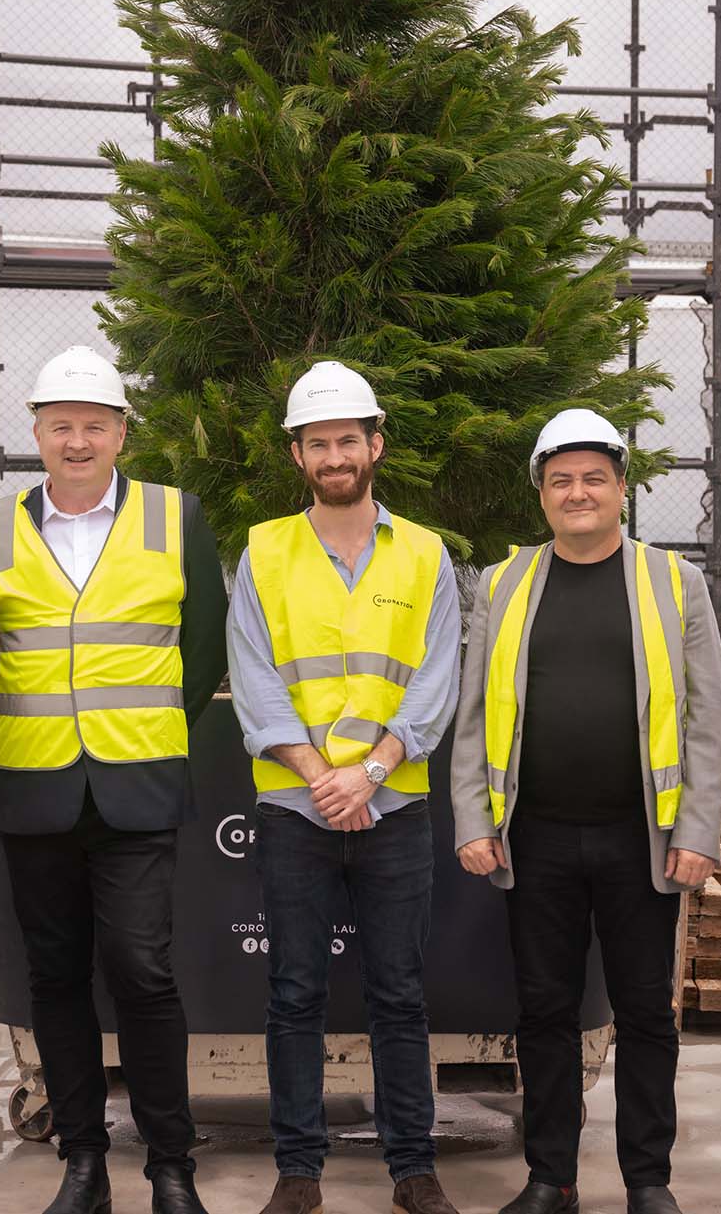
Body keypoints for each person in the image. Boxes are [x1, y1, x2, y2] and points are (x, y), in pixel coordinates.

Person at [0, 345, 228, 1214]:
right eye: (61, 425)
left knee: (143, 969)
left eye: (95, 425)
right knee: (54, 976)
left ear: (121, 433)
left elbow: (201, 647)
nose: (78, 441)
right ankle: (84, 1161)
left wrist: (145, 729)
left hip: (138, 782)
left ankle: (170, 1163)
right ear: (36, 432)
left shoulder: (174, 517)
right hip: (34, 784)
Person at [451, 407, 721, 1214]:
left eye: (594, 478)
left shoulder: (674, 582)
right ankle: (552, 1180)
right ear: (541, 493)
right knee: (543, 1013)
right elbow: (474, 712)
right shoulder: (503, 585)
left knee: (645, 1013)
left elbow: (709, 718)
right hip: (533, 839)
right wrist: (474, 818)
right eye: (562, 479)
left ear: (621, 489)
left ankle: (649, 1182)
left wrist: (698, 830)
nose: (579, 493)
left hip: (642, 842)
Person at [225, 361, 463, 1214]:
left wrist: (367, 772)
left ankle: (413, 1168)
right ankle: (300, 1171)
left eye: (347, 440)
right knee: (295, 991)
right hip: (298, 805)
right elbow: (254, 678)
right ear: (298, 455)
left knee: (399, 989)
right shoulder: (262, 551)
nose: (335, 454)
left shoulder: (428, 553)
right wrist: (322, 776)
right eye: (318, 442)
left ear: (375, 445)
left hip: (392, 802)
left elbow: (437, 679)